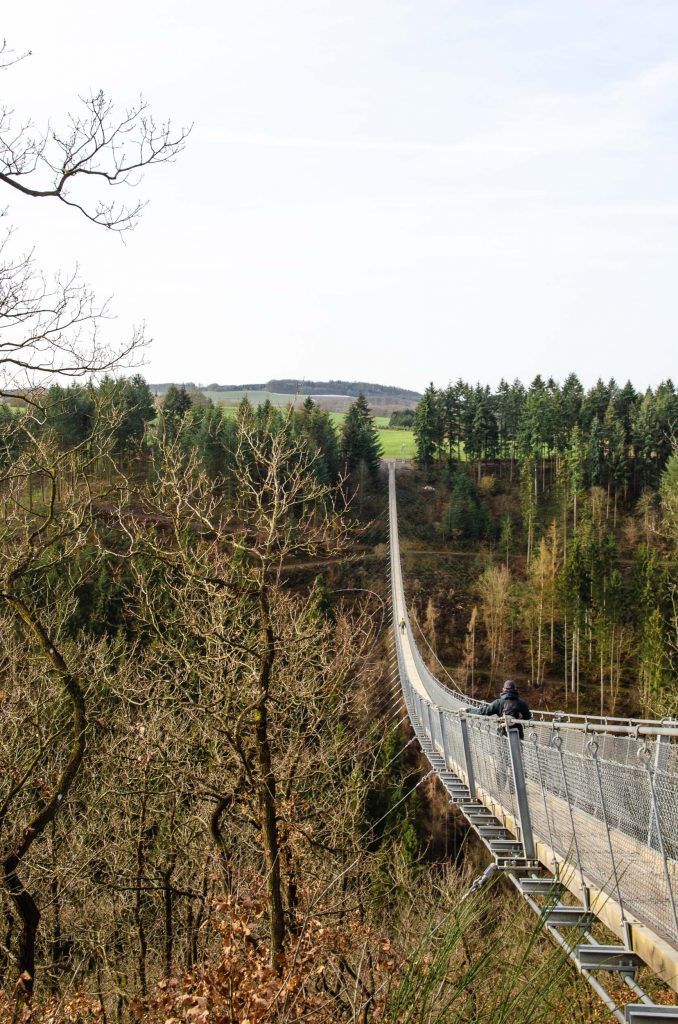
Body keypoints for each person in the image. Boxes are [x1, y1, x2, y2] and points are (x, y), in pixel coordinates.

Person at [466, 679, 531, 738]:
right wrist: (520, 717)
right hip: (518, 735)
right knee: (518, 750)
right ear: (515, 689)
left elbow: (483, 712)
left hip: (503, 734)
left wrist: (468, 710)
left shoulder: (498, 703)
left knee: (503, 750)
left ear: (503, 689)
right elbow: (528, 718)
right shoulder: (522, 703)